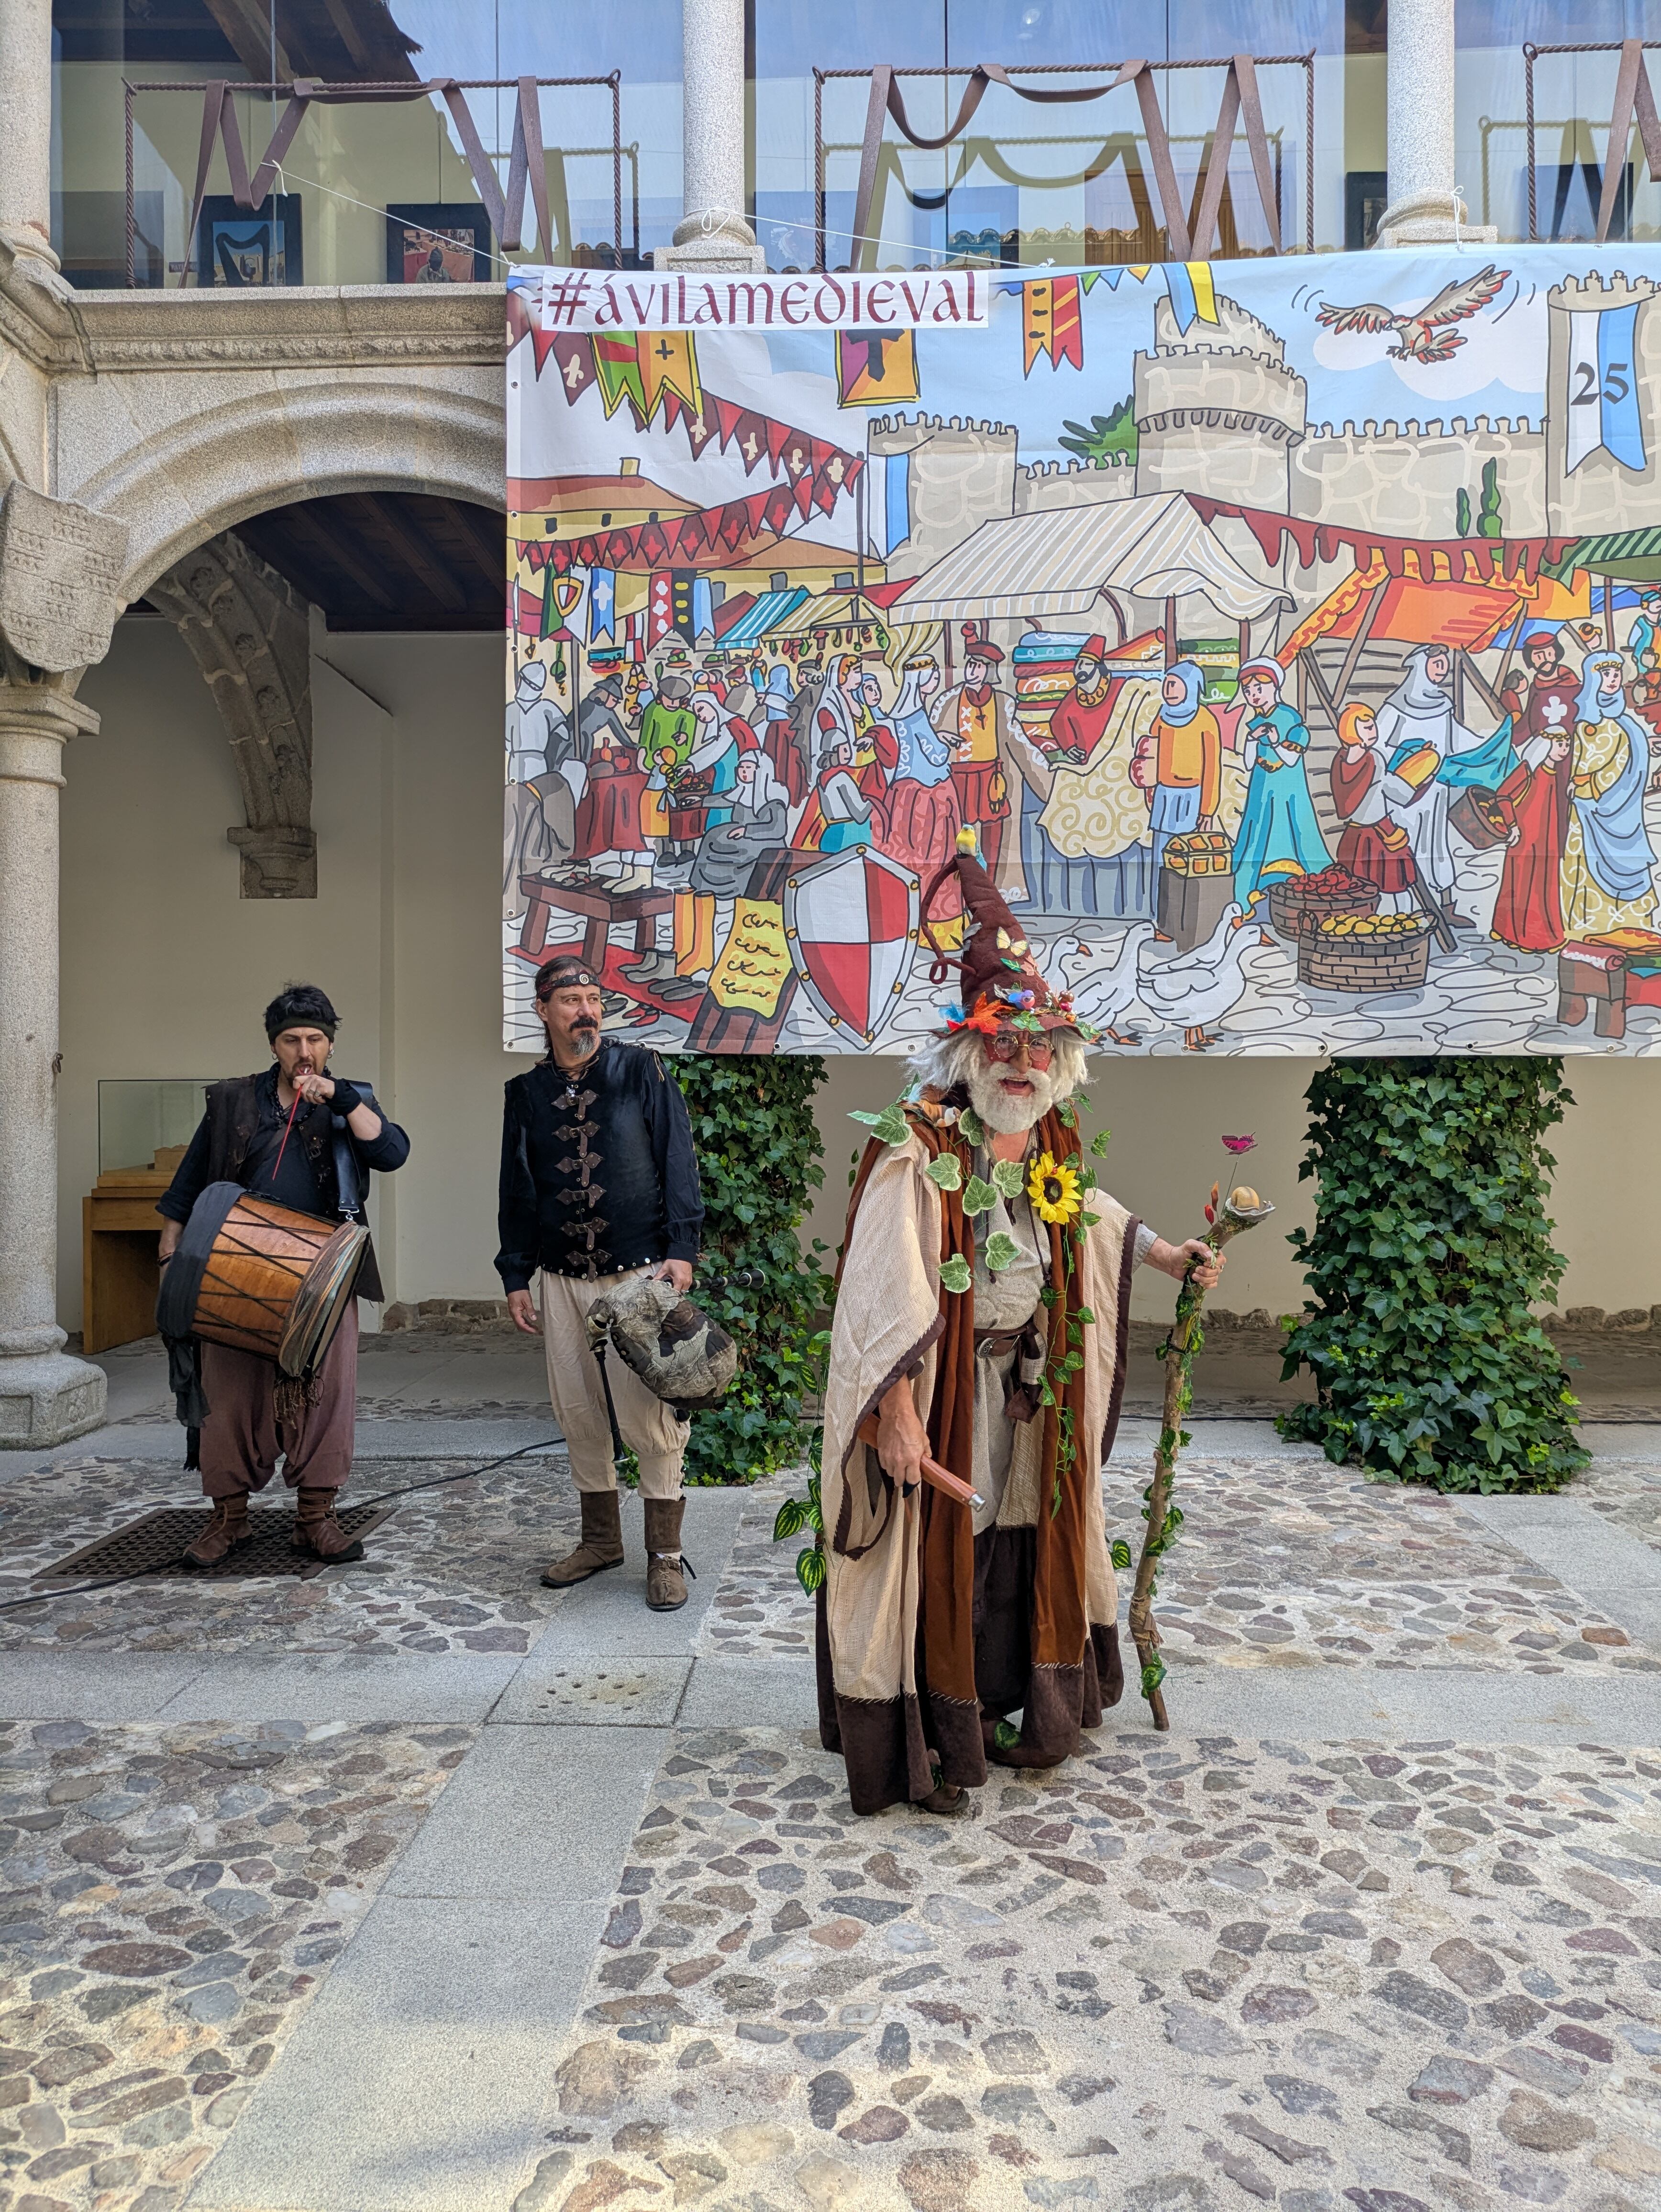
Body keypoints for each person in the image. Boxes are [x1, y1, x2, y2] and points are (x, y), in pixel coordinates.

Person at [819, 833, 1222, 1816]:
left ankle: (1010, 1696)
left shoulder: (1047, 1139)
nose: (1020, 1060)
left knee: (1017, 1532)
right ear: (967, 1048)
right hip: (945, 1388)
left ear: (1062, 1061)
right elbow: (880, 1293)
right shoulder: (916, 1148)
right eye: (1002, 1042)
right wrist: (898, 1412)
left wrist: (1162, 1252)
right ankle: (933, 1732)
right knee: (941, 1541)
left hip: (1025, 1388)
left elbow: (1085, 1206)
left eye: (1038, 1046)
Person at [157, 985, 410, 1568]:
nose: (304, 1050)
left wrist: (341, 1099)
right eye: (292, 1039)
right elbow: (188, 1181)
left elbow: (393, 1153)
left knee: (325, 1395)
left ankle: (315, 1519)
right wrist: (171, 1252)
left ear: (329, 1044)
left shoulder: (351, 1102)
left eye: (315, 1040)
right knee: (229, 1396)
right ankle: (231, 1519)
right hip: (232, 1266)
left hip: (324, 1275)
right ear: (274, 1043)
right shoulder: (232, 1101)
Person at [497, 955, 704, 1609]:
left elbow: (677, 1157)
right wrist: (515, 1273)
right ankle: (600, 1540)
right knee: (579, 1409)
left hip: (640, 1270)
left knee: (650, 1411)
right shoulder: (524, 1094)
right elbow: (517, 1190)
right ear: (543, 1010)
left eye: (593, 998)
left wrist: (683, 1249)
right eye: (571, 1000)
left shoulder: (639, 1071)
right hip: (560, 1277)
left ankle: (665, 1554)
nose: (586, 1010)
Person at [1373, 643, 1487, 926]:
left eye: (1443, 665)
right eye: (1435, 665)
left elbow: (1456, 739)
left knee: (1437, 844)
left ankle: (1446, 907)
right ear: (1421, 667)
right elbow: (1377, 747)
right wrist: (1408, 756)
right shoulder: (1394, 708)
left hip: (1435, 792)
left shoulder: (1443, 705)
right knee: (1406, 846)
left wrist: (1487, 743)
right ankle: (1408, 910)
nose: (1442, 670)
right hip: (1404, 794)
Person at [1561, 653, 1660, 936]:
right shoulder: (1586, 721)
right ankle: (1588, 923)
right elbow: (1581, 758)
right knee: (1585, 858)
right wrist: (1582, 785)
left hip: (1620, 806)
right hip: (1585, 806)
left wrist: (1592, 784)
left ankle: (1630, 922)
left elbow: (1625, 760)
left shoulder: (1624, 718)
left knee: (1628, 857)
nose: (1614, 680)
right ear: (1594, 678)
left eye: (1617, 674)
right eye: (1607, 675)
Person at [1230, 658, 1329, 920]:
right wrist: (1252, 740)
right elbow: (1249, 763)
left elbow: (1291, 759)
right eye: (1248, 691)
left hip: (1289, 796)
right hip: (1261, 795)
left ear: (1273, 687)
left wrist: (1275, 741)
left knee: (1298, 842)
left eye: (1258, 689)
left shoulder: (1290, 719)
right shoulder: (1253, 723)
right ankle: (1248, 902)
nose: (1253, 695)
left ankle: (1314, 901)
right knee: (1256, 841)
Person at [879, 656, 962, 887]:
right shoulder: (918, 715)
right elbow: (936, 756)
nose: (936, 680)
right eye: (933, 675)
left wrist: (939, 737)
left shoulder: (898, 715)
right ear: (921, 680)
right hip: (928, 795)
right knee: (934, 854)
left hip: (901, 792)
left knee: (905, 850)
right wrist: (946, 744)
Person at [1329, 703, 1419, 914]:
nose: (1374, 730)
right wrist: (1416, 787)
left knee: (1359, 885)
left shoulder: (1340, 761)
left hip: (1354, 834)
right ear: (1353, 731)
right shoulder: (1374, 759)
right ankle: (1401, 922)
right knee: (1395, 885)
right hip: (1380, 832)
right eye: (1368, 727)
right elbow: (1393, 789)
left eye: (1373, 726)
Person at [1147, 658, 1222, 879]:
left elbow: (1212, 768)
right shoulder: (1161, 717)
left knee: (1184, 857)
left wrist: (1207, 810)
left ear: (1190, 686)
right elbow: (1150, 752)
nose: (1168, 688)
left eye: (1175, 683)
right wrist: (1150, 788)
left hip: (1192, 797)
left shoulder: (1205, 720)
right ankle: (1157, 909)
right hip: (1163, 795)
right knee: (1160, 857)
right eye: (1167, 682)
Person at [792, 736, 875, 853]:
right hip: (850, 837)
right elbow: (860, 816)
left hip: (829, 835)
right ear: (835, 752)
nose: (850, 754)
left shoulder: (821, 779)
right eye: (845, 750)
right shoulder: (842, 778)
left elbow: (828, 814)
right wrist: (872, 802)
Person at [1045, 636, 1118, 767]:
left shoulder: (1118, 686)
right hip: (1082, 763)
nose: (1080, 668)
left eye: (1088, 664)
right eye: (1079, 663)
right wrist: (1069, 747)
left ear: (1100, 668)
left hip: (1113, 758)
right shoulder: (1075, 694)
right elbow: (1057, 720)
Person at [506, 658, 570, 784]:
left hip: (530, 761)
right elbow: (565, 733)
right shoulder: (546, 707)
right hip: (530, 761)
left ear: (521, 681)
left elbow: (506, 742)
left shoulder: (545, 708)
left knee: (523, 797)